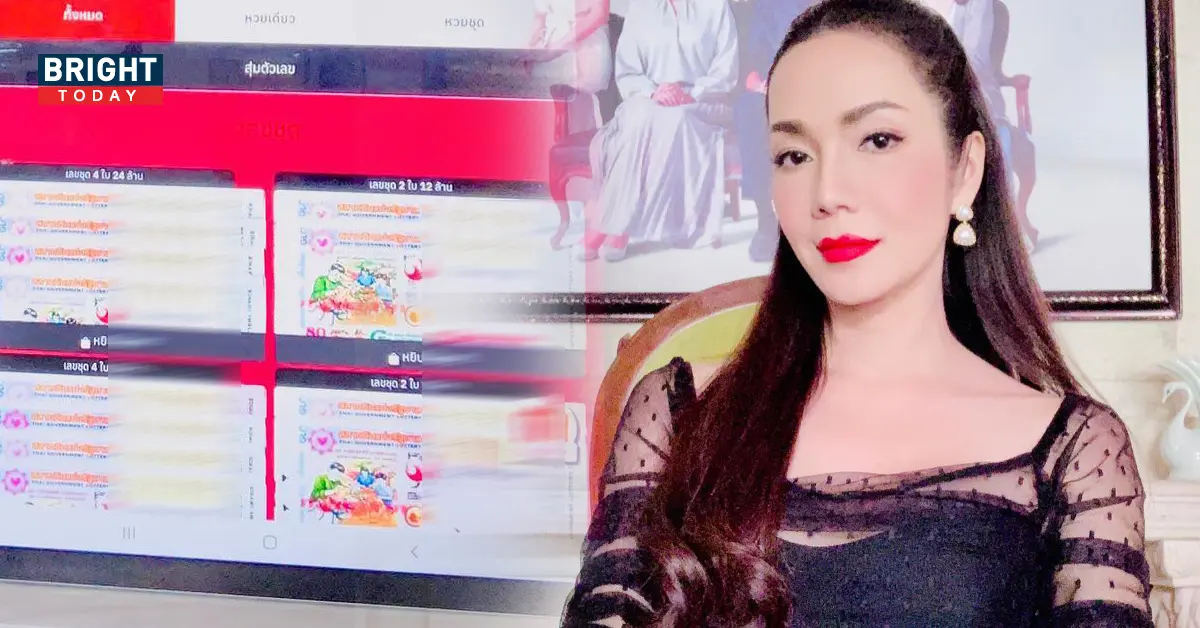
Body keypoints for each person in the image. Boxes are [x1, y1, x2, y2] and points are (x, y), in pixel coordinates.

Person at [561, 0, 1152, 626]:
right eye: (794, 155)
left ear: (965, 170)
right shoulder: (677, 412)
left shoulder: (1075, 451)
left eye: (877, 140)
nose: (828, 193)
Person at [580, 0, 739, 262]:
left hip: (703, 103)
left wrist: (692, 93)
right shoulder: (640, 8)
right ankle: (618, 224)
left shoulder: (716, 6)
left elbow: (726, 69)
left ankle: (610, 225)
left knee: (672, 118)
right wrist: (653, 92)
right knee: (643, 115)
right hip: (650, 97)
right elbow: (628, 72)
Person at [733, 0, 819, 263]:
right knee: (749, 108)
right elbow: (752, 62)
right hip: (772, 88)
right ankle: (766, 219)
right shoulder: (767, 6)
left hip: (823, 86)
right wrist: (758, 82)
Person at [528, 0, 614, 135]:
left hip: (585, 48)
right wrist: (528, 48)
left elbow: (598, 14)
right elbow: (540, 17)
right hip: (552, 51)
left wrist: (558, 47)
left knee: (578, 116)